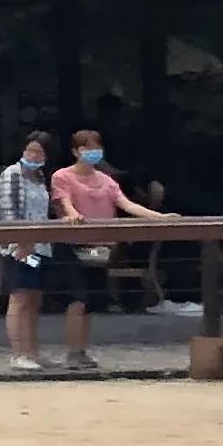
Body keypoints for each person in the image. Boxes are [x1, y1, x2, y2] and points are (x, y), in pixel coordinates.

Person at [41, 126, 170, 373]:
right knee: (77, 298)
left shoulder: (106, 180)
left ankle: (82, 352)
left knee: (90, 301)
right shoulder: (62, 176)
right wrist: (73, 215)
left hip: (100, 247)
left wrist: (160, 217)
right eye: (87, 148)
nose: (93, 152)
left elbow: (126, 204)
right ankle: (72, 352)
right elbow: (64, 202)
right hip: (71, 245)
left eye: (97, 148)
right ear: (75, 151)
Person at [0, 126, 74, 373]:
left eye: (38, 152)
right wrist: (21, 241)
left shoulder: (42, 177)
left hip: (41, 247)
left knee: (34, 298)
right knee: (19, 296)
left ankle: (33, 352)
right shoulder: (12, 174)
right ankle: (18, 353)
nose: (32, 156)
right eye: (29, 150)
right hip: (18, 247)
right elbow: (10, 211)